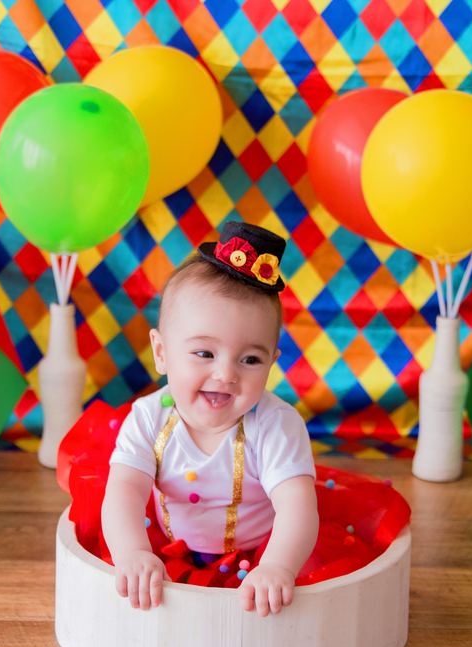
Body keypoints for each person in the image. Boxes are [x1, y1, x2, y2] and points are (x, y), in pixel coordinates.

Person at [101, 221, 319, 617]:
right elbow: (125, 491)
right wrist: (133, 552)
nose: (226, 374)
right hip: (167, 550)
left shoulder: (276, 425)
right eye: (204, 353)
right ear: (162, 352)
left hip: (258, 556)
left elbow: (297, 507)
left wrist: (278, 565)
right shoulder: (148, 418)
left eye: (250, 359)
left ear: (272, 362)